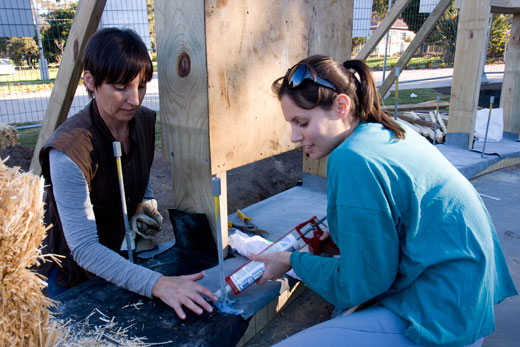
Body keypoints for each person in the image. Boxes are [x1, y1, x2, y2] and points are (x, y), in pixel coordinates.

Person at [251, 55, 518, 346]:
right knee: (343, 316)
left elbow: (360, 283)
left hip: (439, 315)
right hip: (468, 296)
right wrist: (343, 240)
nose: (293, 137)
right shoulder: (384, 130)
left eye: (301, 122)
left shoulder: (351, 158)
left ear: (342, 106)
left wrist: (291, 260)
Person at [38, 27, 217, 319]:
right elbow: (83, 248)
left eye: (142, 85)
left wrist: (147, 204)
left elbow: (138, 172)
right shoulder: (68, 151)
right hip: (66, 275)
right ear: (91, 82)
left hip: (110, 259)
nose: (135, 99)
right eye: (121, 87)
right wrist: (157, 283)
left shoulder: (142, 121)